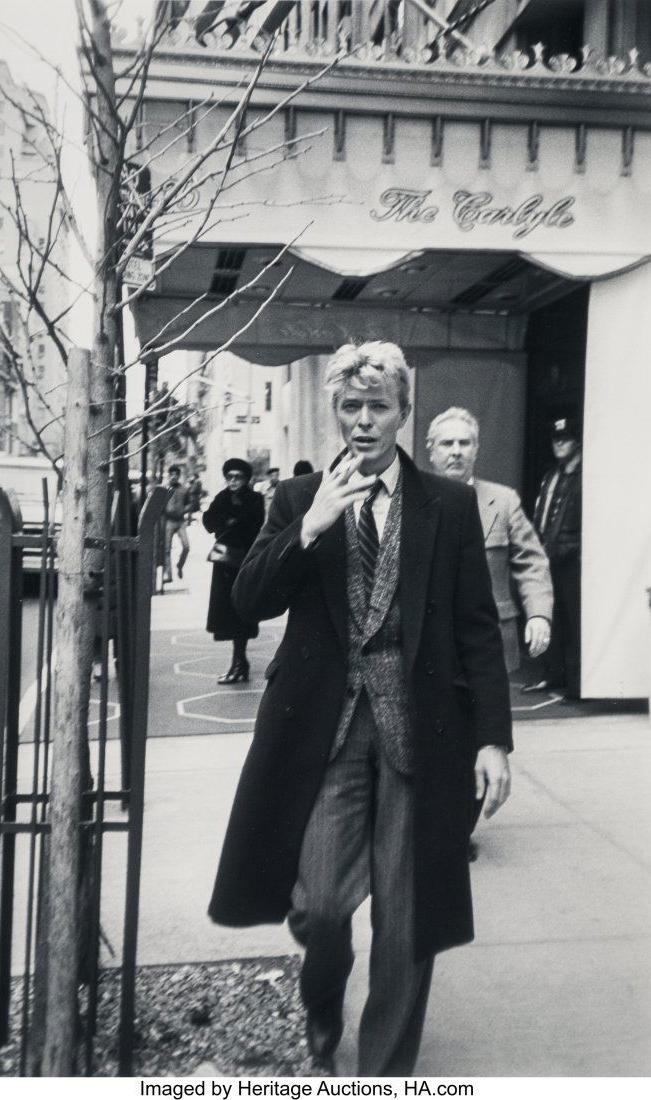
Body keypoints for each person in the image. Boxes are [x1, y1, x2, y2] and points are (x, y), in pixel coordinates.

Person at [208, 341, 512, 1077]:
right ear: (336, 413)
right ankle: (321, 1006)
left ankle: (384, 1073)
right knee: (318, 906)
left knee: (408, 921)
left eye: (379, 407)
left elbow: (476, 624)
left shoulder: (448, 504)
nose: (364, 421)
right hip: (325, 734)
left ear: (405, 412)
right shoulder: (295, 498)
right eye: (351, 407)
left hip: (423, 735)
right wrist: (309, 525)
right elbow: (249, 601)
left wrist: (494, 740)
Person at [426, 407, 553, 674]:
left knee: (490, 715)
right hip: (431, 640)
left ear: (476, 449)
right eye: (447, 443)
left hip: (490, 639)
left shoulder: (503, 501)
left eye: (465, 443)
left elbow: (532, 563)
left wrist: (539, 614)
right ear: (432, 451)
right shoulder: (412, 501)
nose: (456, 451)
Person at [524, 416, 582, 701]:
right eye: (556, 439)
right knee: (552, 616)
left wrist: (570, 547)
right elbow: (542, 515)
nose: (560, 443)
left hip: (572, 560)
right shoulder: (552, 475)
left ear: (577, 441)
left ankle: (576, 685)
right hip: (549, 557)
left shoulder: (585, 476)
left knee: (573, 620)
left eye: (566, 438)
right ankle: (553, 674)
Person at [202, 458, 264, 684]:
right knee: (228, 614)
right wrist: (228, 521)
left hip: (245, 564)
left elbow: (254, 527)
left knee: (242, 613)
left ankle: (239, 663)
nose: (233, 481)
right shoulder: (222, 498)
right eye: (229, 476)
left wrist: (229, 522)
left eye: (238, 477)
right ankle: (239, 663)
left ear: (246, 479)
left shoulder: (254, 499)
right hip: (224, 566)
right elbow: (208, 521)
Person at [163, 465, 190, 583]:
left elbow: (189, 503)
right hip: (168, 521)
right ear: (169, 475)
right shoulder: (164, 489)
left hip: (180, 521)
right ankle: (169, 575)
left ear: (179, 476)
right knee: (167, 549)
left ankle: (180, 565)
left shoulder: (184, 489)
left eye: (176, 474)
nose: (174, 476)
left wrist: (184, 510)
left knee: (186, 546)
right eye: (172, 474)